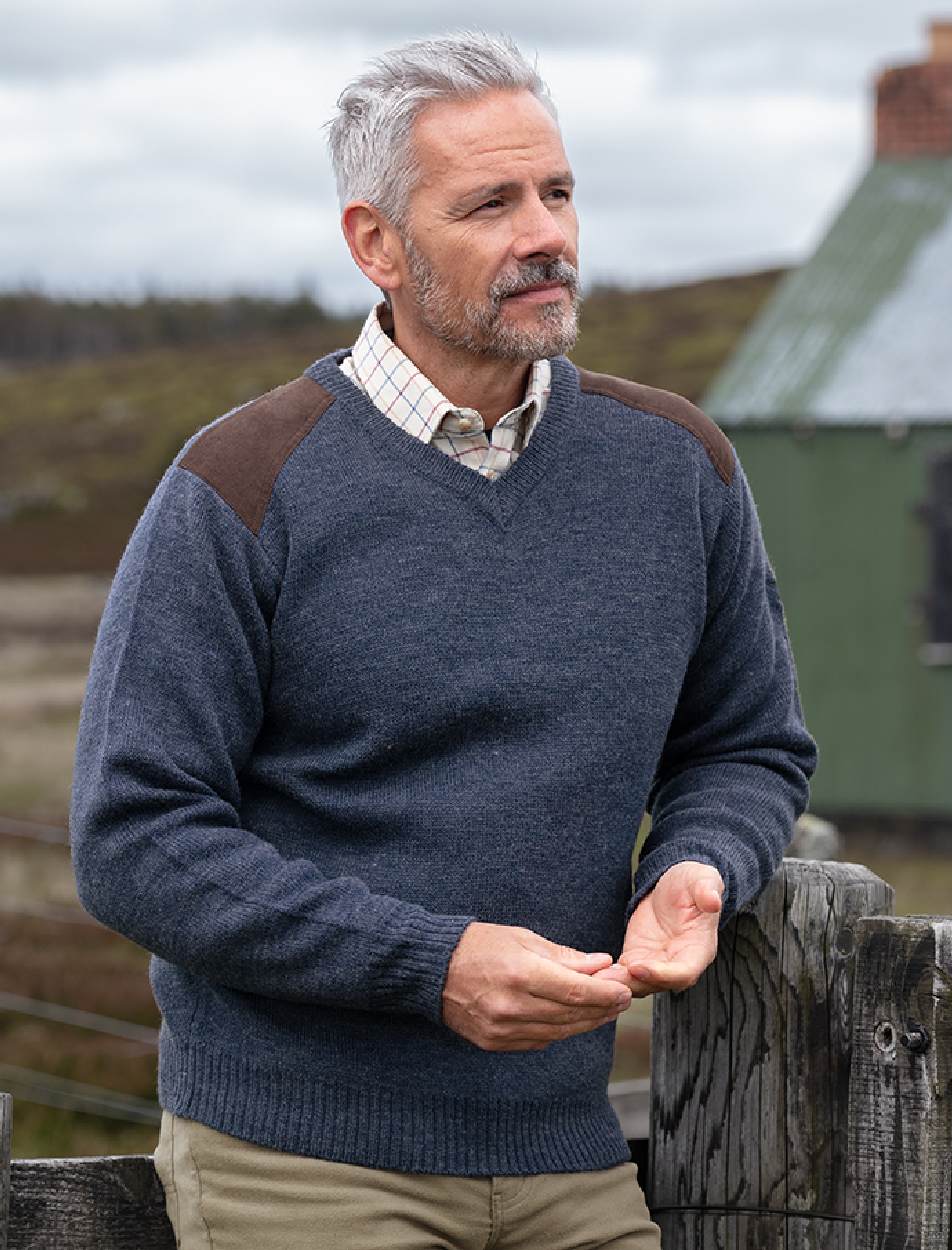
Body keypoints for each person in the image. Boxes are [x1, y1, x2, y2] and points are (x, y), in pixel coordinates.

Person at [70, 30, 817, 1250]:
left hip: (566, 1151)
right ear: (376, 242)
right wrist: (429, 962)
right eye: (490, 203)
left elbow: (746, 745)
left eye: (558, 191)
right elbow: (134, 835)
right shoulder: (241, 482)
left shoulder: (676, 467)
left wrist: (702, 863)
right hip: (299, 1162)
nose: (547, 234)